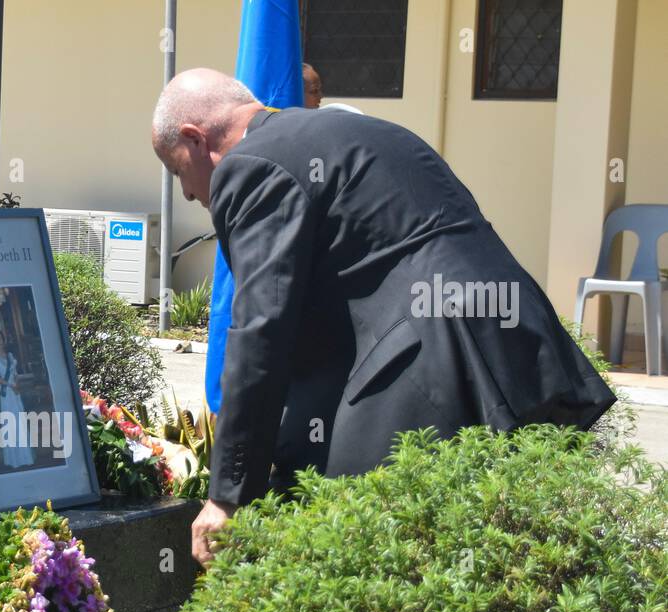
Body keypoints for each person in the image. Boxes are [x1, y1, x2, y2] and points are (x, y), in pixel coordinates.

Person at [151, 68, 615, 566]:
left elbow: (263, 328)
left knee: (352, 545)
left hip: (431, 359)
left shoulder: (250, 166)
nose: (188, 195)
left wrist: (227, 494)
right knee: (509, 557)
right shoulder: (368, 131)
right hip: (514, 342)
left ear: (197, 139)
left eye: (178, 171)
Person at [0, 329, 34, 469]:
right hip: (6, 394)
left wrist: (17, 385)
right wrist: (10, 385)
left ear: (4, 340)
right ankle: (14, 460)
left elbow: (15, 374)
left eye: (0, 338)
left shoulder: (10, 356)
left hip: (15, 392)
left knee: (20, 423)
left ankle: (26, 457)